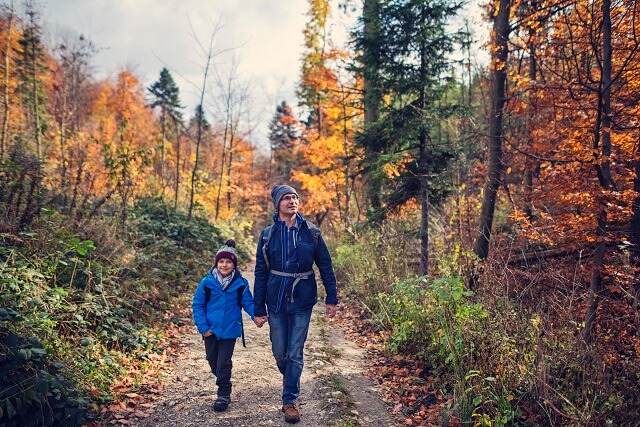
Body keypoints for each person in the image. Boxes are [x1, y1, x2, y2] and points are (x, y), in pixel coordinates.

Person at [253, 184, 338, 424]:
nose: (292, 201)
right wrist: (259, 308)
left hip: (303, 298)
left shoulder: (311, 232)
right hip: (276, 298)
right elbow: (260, 271)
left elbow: (325, 265)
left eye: (295, 198)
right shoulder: (268, 235)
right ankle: (289, 375)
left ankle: (289, 399)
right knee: (280, 352)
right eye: (287, 198)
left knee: (295, 352)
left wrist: (332, 298)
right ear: (278, 204)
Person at [192, 239, 257, 412]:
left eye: (228, 262)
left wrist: (255, 316)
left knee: (223, 363)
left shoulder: (240, 283)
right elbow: (197, 305)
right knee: (212, 361)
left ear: (234, 265)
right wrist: (203, 328)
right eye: (221, 261)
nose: (224, 265)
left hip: (229, 330)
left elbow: (248, 302)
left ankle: (223, 393)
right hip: (210, 330)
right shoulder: (207, 282)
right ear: (216, 263)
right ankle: (223, 378)